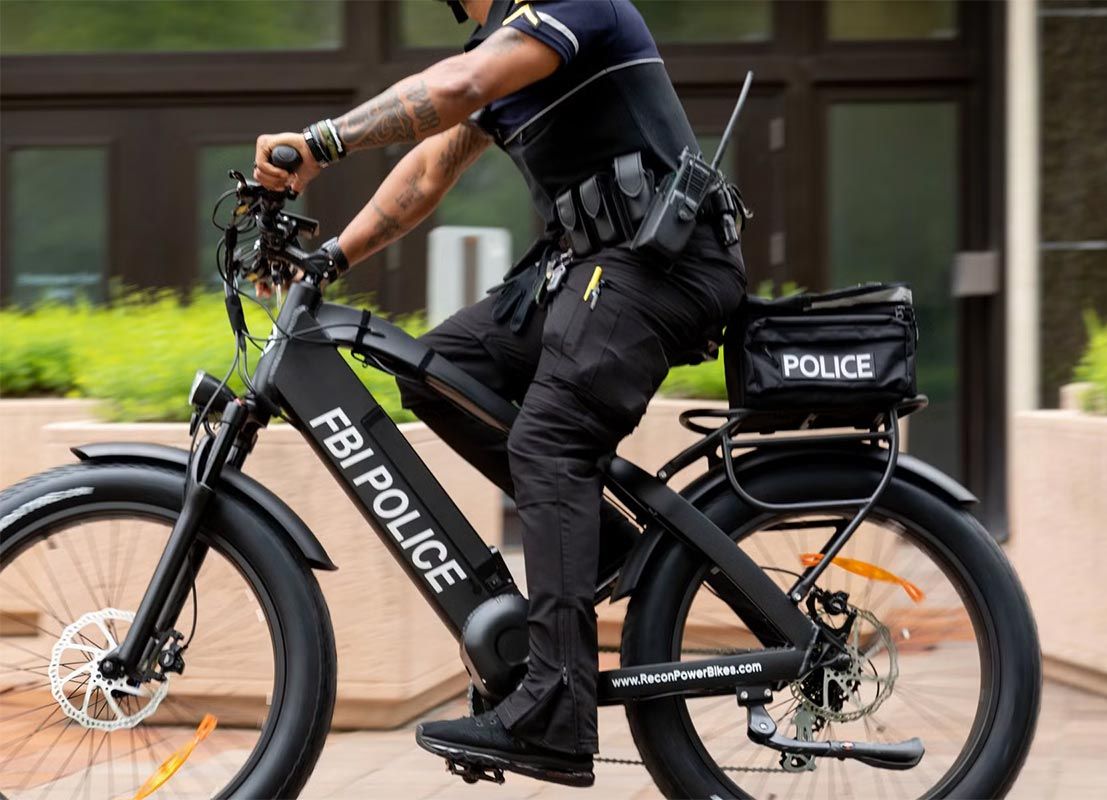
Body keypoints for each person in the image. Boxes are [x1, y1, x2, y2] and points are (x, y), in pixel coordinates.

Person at [253, 0, 746, 787]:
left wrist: (321, 142)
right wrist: (328, 259)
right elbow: (426, 171)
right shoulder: (501, 47)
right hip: (590, 271)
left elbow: (460, 85)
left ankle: (555, 711)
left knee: (550, 441)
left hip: (661, 270)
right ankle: (608, 543)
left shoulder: (568, 10)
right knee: (440, 369)